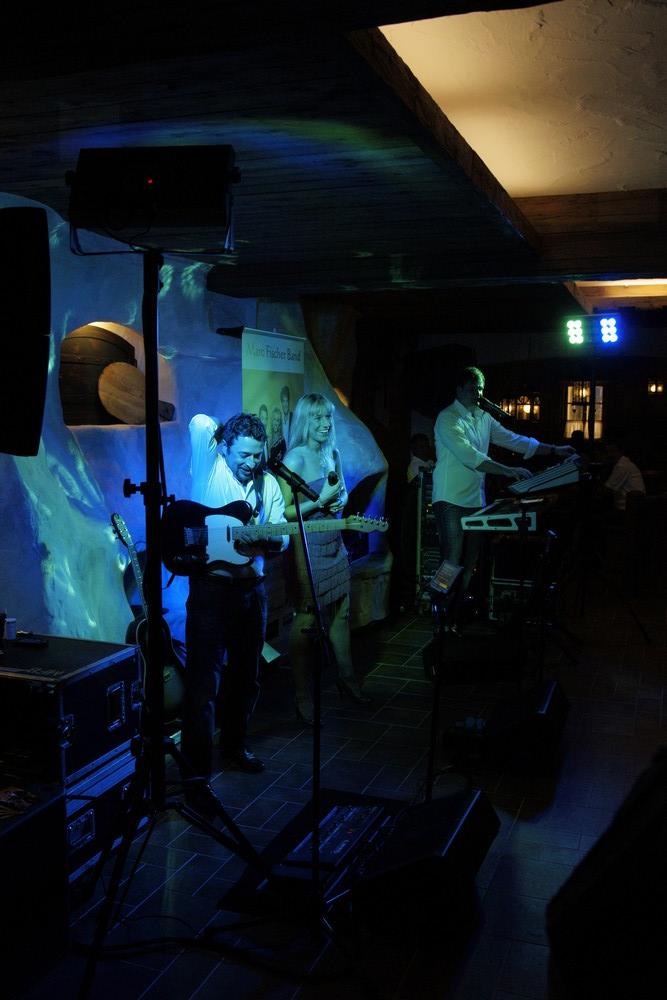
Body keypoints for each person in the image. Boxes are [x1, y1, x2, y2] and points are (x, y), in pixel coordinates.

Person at [183, 412, 288, 788]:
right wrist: (223, 430)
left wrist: (265, 538)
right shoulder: (209, 468)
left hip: (251, 590)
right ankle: (196, 769)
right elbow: (199, 422)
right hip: (211, 589)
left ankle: (235, 746)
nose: (251, 462)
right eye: (243, 454)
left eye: (257, 455)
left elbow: (281, 538)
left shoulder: (268, 484)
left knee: (247, 677)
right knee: (204, 681)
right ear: (224, 447)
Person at [433, 366, 576, 602]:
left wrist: (555, 449)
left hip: (475, 498)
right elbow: (469, 456)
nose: (478, 394)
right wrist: (509, 471)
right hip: (450, 498)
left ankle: (457, 609)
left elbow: (514, 440)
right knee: (452, 558)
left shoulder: (483, 417)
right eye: (472, 389)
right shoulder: (447, 418)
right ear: (458, 389)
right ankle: (438, 605)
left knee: (471, 560)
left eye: (480, 389)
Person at [278, 392, 370, 724]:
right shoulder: (294, 459)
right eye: (317, 417)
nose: (325, 423)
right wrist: (319, 503)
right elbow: (285, 513)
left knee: (341, 614)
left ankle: (347, 679)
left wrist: (339, 500)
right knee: (306, 620)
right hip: (307, 546)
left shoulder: (332, 453)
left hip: (334, 541)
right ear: (305, 421)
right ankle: (302, 695)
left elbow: (341, 493)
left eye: (328, 417)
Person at [602, 437, 645, 512]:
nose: (609, 455)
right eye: (607, 452)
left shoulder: (622, 465)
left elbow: (608, 489)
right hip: (627, 506)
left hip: (626, 507)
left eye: (612, 451)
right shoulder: (621, 464)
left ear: (620, 452)